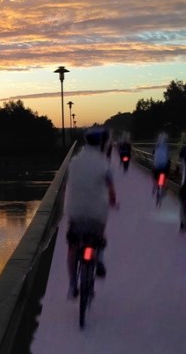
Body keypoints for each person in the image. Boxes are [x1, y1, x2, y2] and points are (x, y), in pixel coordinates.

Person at [65, 126, 117, 298]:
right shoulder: (103, 163)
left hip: (75, 210)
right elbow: (110, 189)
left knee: (73, 246)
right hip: (96, 213)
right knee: (100, 231)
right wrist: (113, 201)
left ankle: (73, 284)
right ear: (101, 143)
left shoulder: (74, 162)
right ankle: (99, 258)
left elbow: (70, 185)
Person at [151, 132, 170, 196]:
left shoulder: (156, 146)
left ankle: (154, 186)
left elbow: (153, 154)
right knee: (165, 174)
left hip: (156, 166)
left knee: (154, 175)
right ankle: (164, 188)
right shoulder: (166, 146)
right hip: (164, 167)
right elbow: (167, 156)